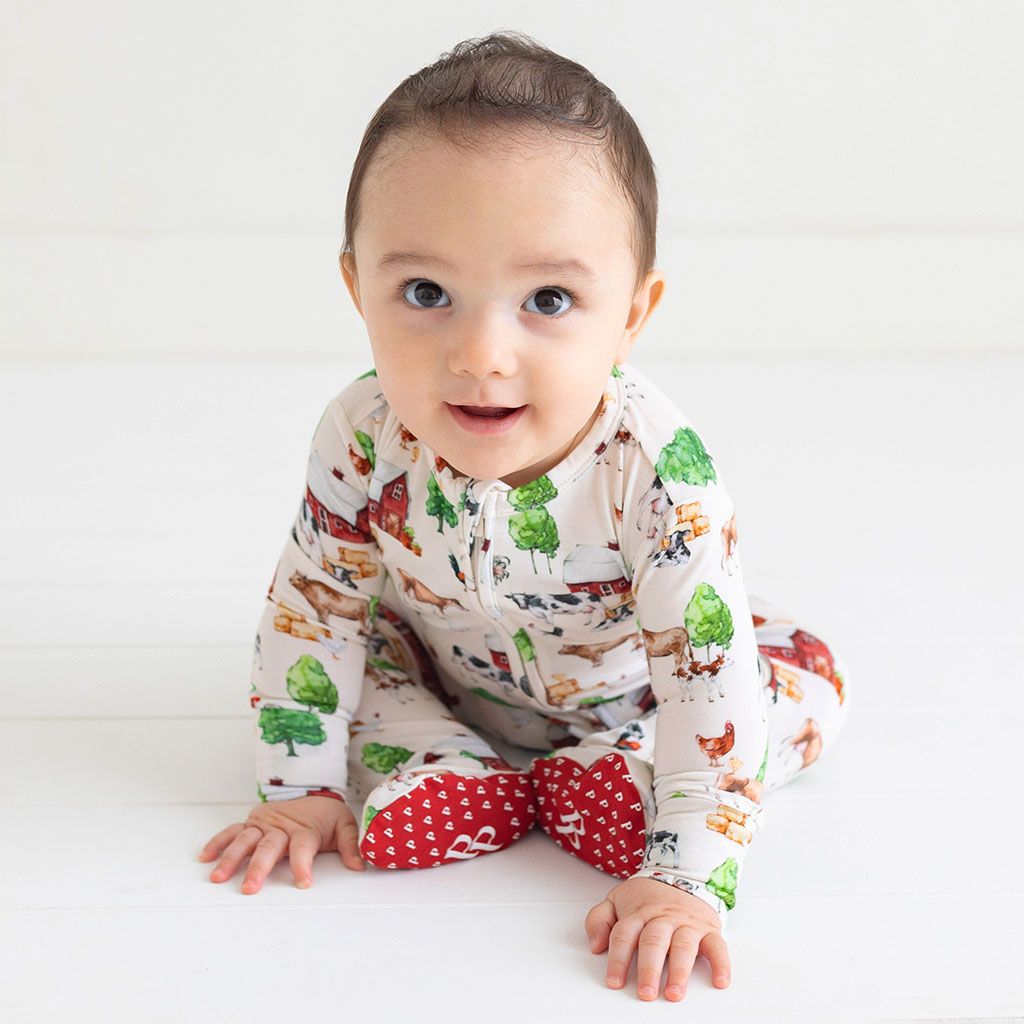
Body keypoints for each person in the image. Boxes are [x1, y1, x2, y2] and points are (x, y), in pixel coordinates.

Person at [196, 30, 851, 1002]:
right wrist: (300, 791)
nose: (481, 354)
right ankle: (449, 766)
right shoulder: (362, 433)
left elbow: (704, 680)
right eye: (426, 293)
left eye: (548, 298)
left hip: (638, 685)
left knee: (797, 683)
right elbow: (314, 609)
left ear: (631, 314)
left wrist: (685, 879)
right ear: (357, 288)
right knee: (364, 652)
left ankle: (621, 772)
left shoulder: (657, 473)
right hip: (448, 671)